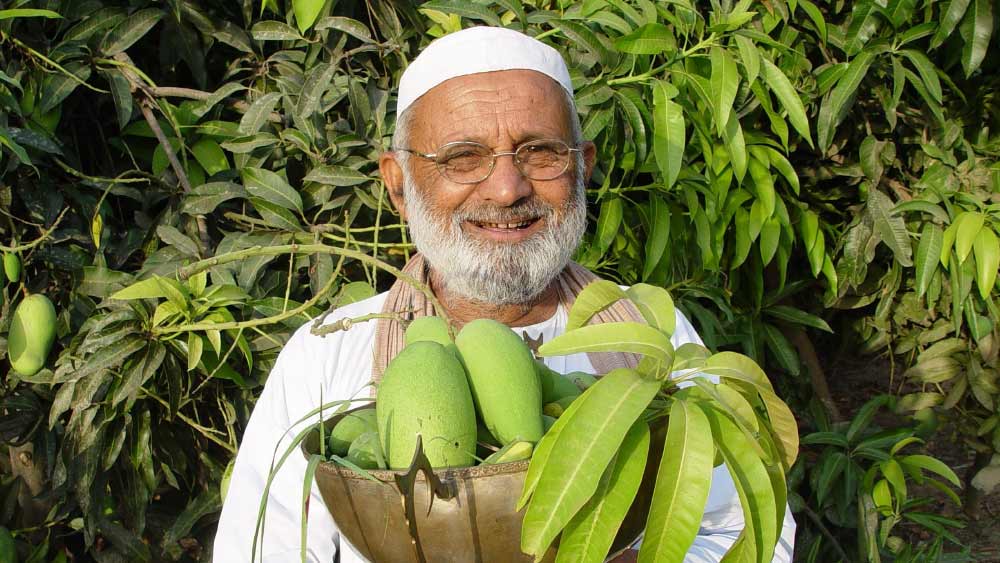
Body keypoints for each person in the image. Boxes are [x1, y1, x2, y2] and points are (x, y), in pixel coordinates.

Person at [212, 26, 796, 563]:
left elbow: (750, 539)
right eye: (463, 158)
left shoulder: (650, 338)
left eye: (540, 152)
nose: (507, 188)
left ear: (583, 168)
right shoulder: (324, 355)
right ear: (398, 185)